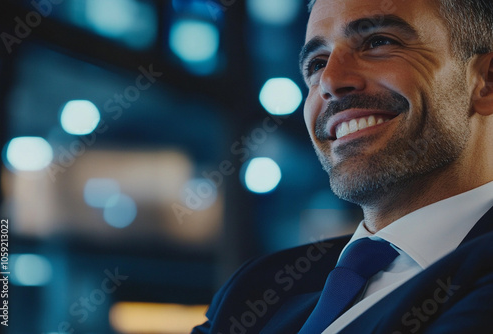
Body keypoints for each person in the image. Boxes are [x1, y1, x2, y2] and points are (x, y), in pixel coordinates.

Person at [192, 0, 493, 332]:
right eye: (317, 63)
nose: (330, 81)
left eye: (379, 42)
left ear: (486, 81)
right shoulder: (253, 290)